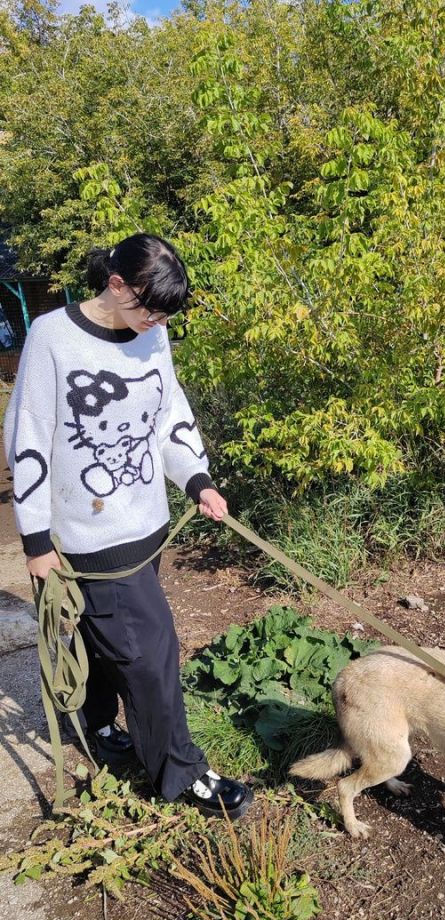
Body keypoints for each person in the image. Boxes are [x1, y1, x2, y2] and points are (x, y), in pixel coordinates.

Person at [3, 233, 253, 819]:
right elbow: (29, 438)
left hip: (146, 526)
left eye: (166, 313)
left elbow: (169, 412)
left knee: (99, 636)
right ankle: (182, 773)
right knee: (150, 653)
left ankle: (99, 729)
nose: (158, 321)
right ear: (116, 285)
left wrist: (196, 478)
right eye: (151, 307)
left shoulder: (152, 332)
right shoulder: (52, 338)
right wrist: (36, 542)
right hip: (89, 537)